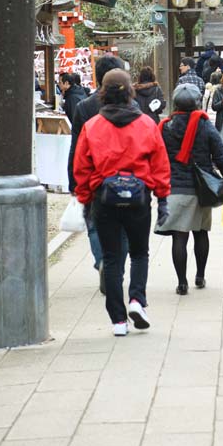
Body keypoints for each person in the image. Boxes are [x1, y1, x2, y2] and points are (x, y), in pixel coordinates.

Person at [73, 69, 170, 336]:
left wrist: (85, 199)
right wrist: (162, 199)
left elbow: (81, 166)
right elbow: (160, 164)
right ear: (131, 92)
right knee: (139, 253)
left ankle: (118, 320)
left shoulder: (92, 126)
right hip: (138, 197)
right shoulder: (146, 124)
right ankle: (137, 300)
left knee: (113, 259)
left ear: (103, 92)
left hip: (104, 198)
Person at [158, 84, 223, 294]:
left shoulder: (165, 126)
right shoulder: (204, 125)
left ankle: (181, 282)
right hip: (201, 189)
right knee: (201, 234)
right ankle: (200, 276)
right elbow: (220, 155)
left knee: (179, 237)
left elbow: (157, 157)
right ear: (197, 102)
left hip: (174, 188)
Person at [68, 54, 125, 291]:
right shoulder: (129, 106)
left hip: (93, 175)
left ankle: (103, 261)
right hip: (124, 175)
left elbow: (76, 147)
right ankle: (116, 269)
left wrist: (73, 181)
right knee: (122, 225)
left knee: (93, 223)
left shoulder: (84, 106)